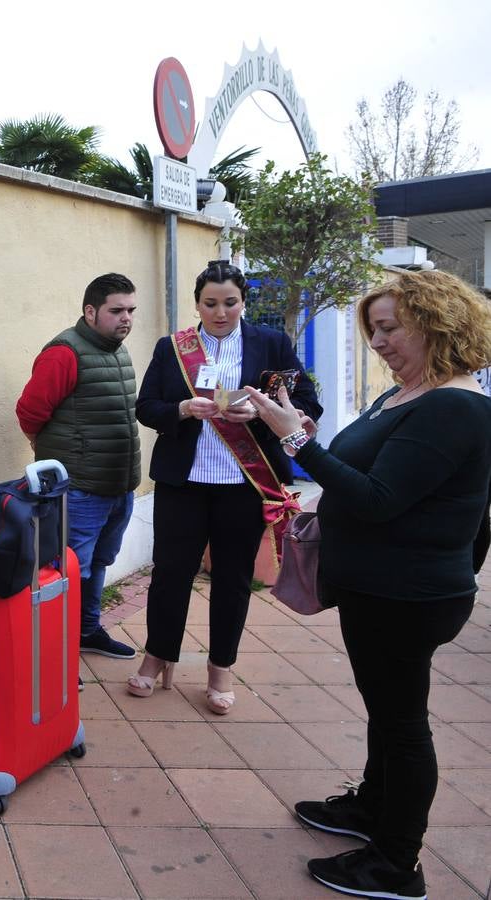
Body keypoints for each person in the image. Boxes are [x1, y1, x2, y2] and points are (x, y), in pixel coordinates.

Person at [247, 269, 491, 900]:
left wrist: (295, 437)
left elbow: (379, 498)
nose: (377, 342)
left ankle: (395, 864)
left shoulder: (454, 406)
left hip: (407, 597)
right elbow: (360, 470)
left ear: (436, 324)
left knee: (403, 724)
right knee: (388, 717)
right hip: (378, 588)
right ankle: (370, 809)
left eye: (389, 328)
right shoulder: (408, 395)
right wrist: (302, 432)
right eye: (372, 329)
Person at [130, 260, 321, 714]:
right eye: (210, 303)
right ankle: (158, 656)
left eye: (230, 302)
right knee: (170, 572)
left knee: (233, 578)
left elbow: (308, 401)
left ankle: (221, 667)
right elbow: (146, 407)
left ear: (243, 302)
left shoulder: (271, 344)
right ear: (197, 304)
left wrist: (261, 414)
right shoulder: (172, 348)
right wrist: (180, 409)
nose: (220, 312)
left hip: (244, 484)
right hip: (183, 482)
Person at [16, 272, 142, 661]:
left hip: (118, 486)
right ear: (90, 311)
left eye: (131, 310)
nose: (126, 318)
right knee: (69, 571)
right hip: (81, 489)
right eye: (116, 310)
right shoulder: (64, 353)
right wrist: (51, 451)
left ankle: (87, 630)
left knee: (99, 564)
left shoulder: (117, 350)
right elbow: (30, 411)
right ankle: (56, 656)